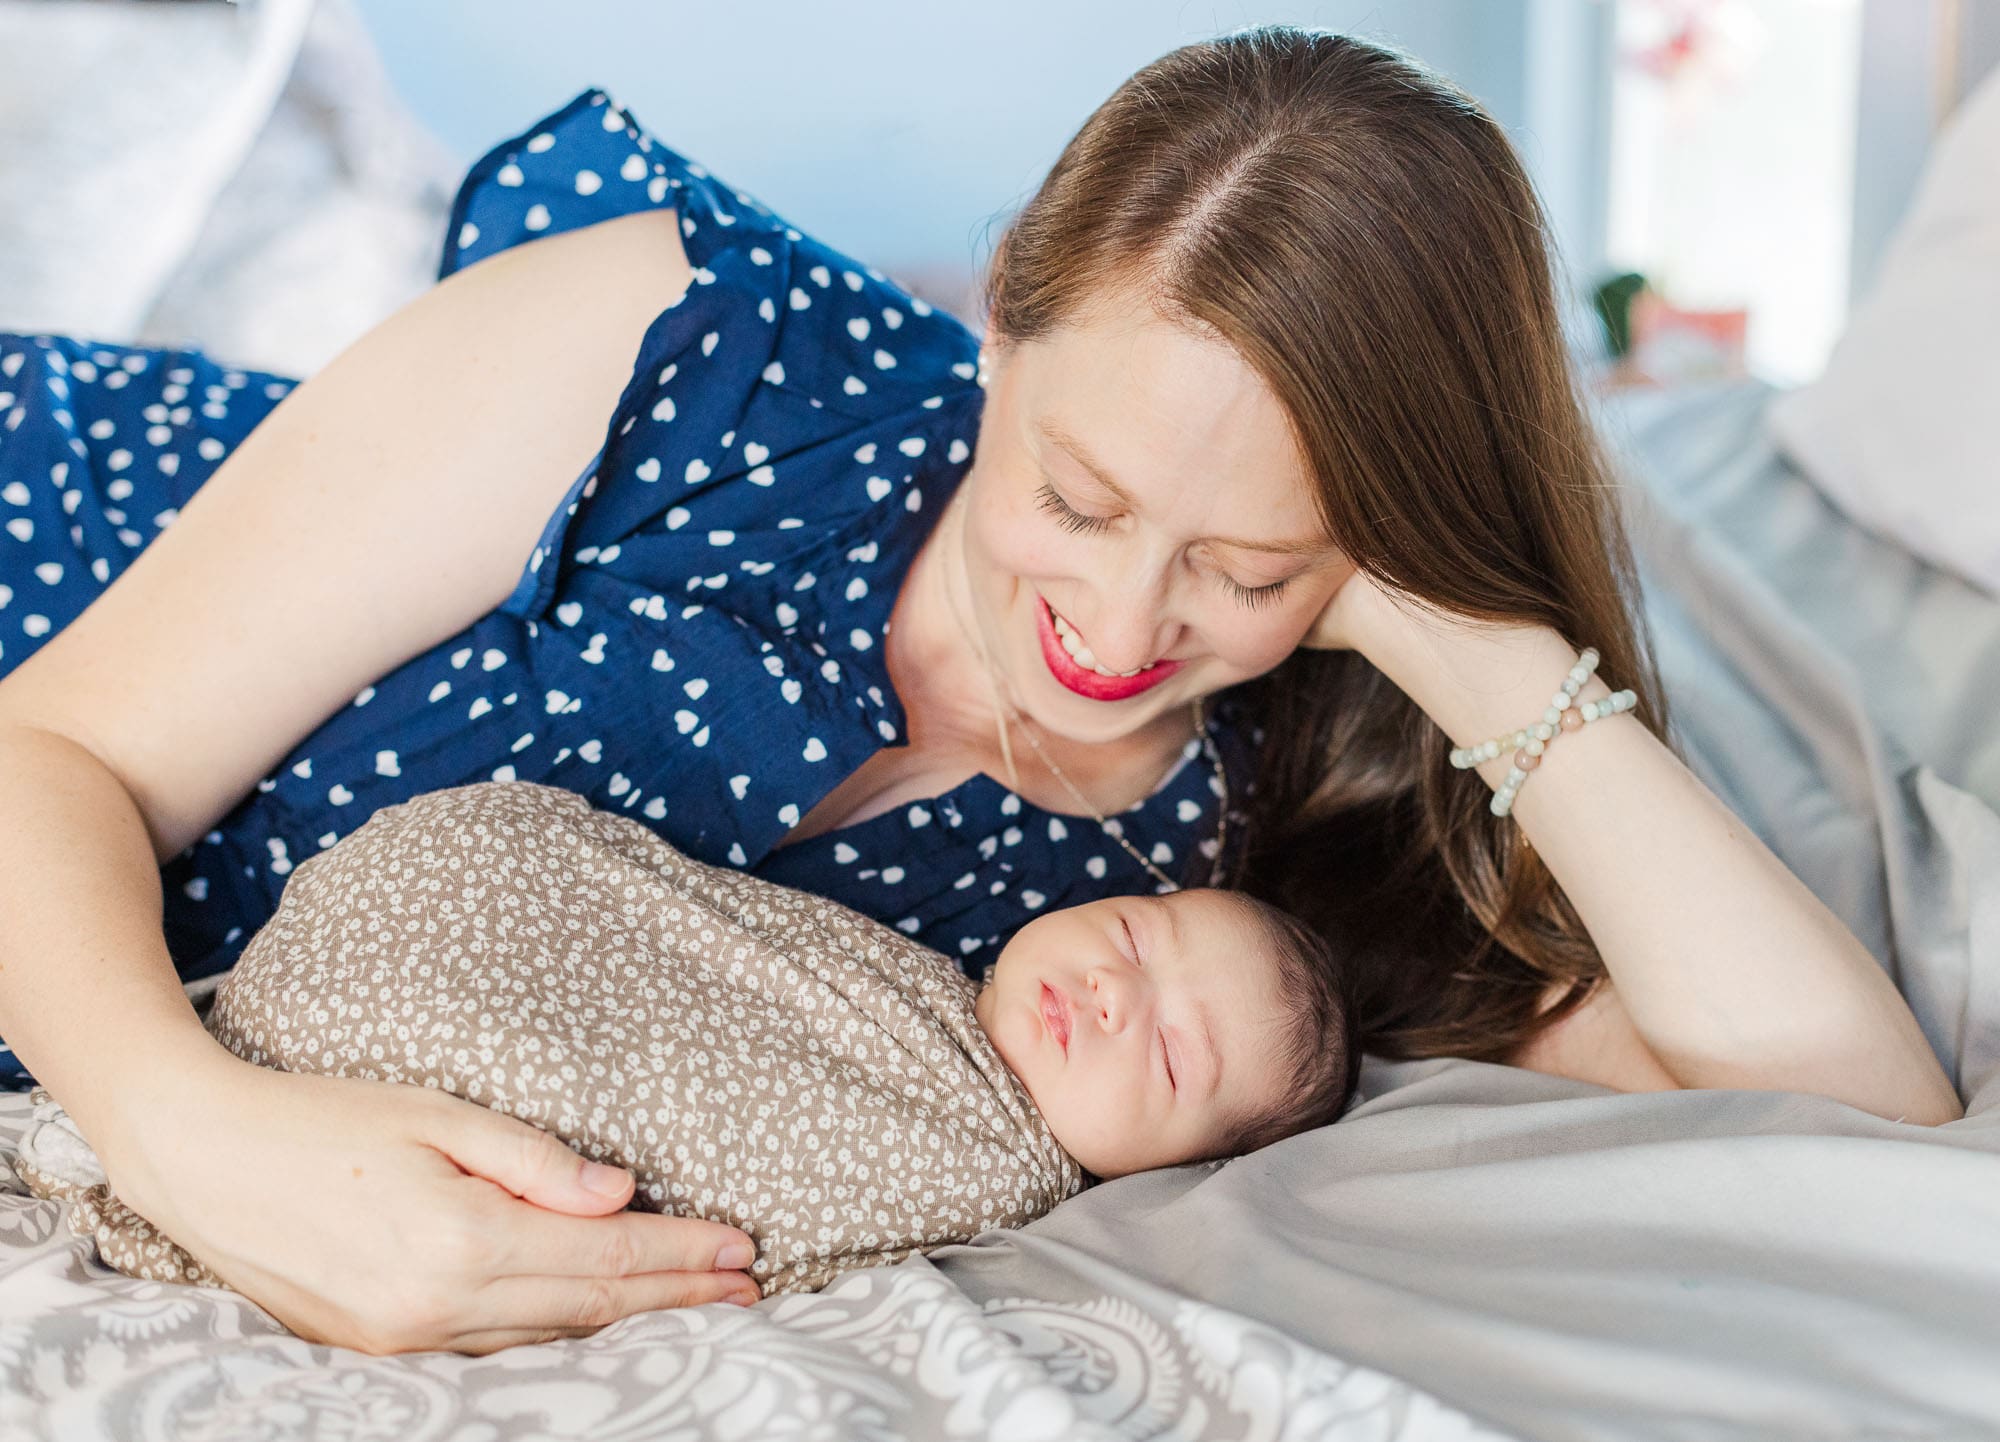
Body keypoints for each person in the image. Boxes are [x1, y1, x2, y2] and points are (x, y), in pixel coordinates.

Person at [0, 26, 1960, 1356]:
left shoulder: (1266, 842)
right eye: (1075, 494)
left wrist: (1471, 643)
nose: (1112, 618)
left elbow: (1847, 1105)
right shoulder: (675, 343)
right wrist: (191, 1131)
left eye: (1244, 562)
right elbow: (55, 748)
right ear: (1002, 313)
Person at [21, 778, 1357, 1301]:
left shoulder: (992, 1172)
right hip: (451, 918)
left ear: (1175, 1170)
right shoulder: (920, 967)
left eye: (1171, 1060)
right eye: (1128, 934)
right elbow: (692, 942)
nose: (1117, 999)